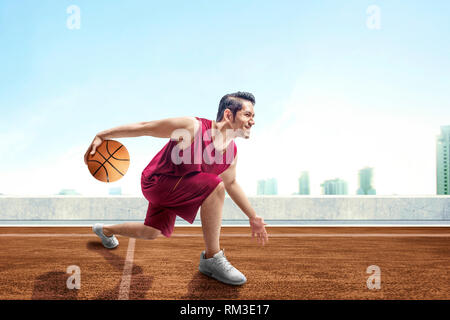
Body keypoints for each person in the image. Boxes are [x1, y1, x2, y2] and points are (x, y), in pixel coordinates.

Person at [84, 91, 268, 286]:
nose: (252, 121)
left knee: (151, 232)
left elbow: (231, 183)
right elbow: (145, 127)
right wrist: (102, 135)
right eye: (247, 115)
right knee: (215, 185)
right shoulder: (193, 127)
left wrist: (253, 217)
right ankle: (212, 259)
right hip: (157, 182)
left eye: (253, 117)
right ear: (229, 115)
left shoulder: (231, 153)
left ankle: (104, 230)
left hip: (179, 189)